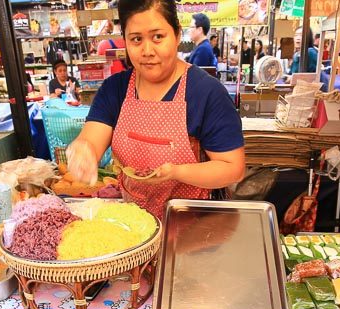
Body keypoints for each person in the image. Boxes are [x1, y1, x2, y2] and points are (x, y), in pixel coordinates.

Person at [66, 0, 245, 218]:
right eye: (136, 39)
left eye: (158, 37)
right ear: (125, 40)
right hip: (135, 224)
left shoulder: (206, 92)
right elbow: (92, 140)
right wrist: (83, 151)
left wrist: (177, 172)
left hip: (192, 225)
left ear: (177, 34)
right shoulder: (115, 89)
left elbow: (232, 168)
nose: (147, 50)